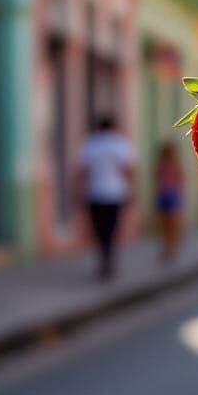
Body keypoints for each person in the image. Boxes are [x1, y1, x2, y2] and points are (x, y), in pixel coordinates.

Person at [76, 116, 135, 280]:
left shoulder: (90, 143)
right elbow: (128, 170)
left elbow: (82, 171)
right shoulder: (119, 143)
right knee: (111, 229)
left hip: (95, 193)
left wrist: (78, 192)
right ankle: (108, 259)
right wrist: (132, 190)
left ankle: (104, 258)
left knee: (99, 230)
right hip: (115, 193)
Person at [154, 142, 184, 263]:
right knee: (166, 223)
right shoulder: (163, 165)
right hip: (167, 195)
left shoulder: (170, 165)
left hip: (169, 195)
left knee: (170, 223)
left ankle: (170, 247)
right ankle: (168, 247)